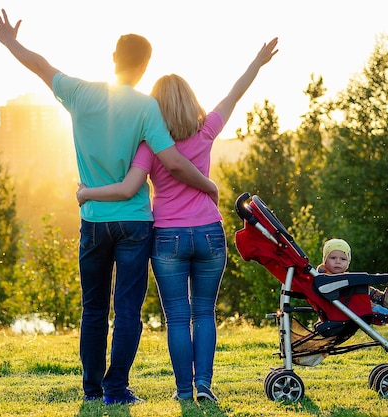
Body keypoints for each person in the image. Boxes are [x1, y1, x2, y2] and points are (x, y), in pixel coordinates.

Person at [0, 9, 219, 405]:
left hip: (93, 220)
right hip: (134, 221)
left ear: (113, 57)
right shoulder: (147, 107)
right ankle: (117, 390)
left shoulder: (79, 92)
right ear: (145, 66)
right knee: (127, 310)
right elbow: (174, 163)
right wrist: (210, 187)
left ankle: (92, 390)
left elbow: (41, 65)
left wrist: (11, 42)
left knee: (93, 309)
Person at [76, 38, 280, 402]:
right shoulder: (207, 131)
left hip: (167, 237)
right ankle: (203, 386)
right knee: (204, 313)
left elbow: (129, 187)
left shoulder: (150, 144)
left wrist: (86, 192)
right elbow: (234, 94)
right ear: (190, 100)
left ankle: (184, 391)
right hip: (208, 235)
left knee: (176, 316)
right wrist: (258, 63)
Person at [317, 238, 388, 325]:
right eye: (333, 258)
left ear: (348, 263)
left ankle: (379, 298)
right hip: (340, 311)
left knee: (358, 284)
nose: (338, 261)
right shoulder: (324, 277)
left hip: (348, 307)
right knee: (375, 309)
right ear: (325, 261)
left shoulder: (340, 276)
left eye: (343, 259)